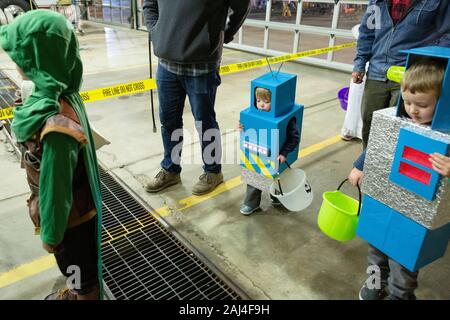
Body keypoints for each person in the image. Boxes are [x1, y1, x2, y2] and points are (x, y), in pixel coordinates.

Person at [0, 10, 102, 300]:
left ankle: (82, 294)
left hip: (71, 224)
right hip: (77, 215)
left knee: (79, 272)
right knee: (78, 270)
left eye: (21, 59)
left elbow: (56, 191)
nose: (16, 65)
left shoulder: (56, 128)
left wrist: (51, 235)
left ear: (38, 62)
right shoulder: (63, 90)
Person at [348, 62, 450, 300]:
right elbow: (380, 142)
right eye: (408, 102)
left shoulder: (445, 132)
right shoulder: (400, 119)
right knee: (375, 251)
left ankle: (400, 296)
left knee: (403, 262)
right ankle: (374, 284)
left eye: (423, 105)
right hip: (384, 199)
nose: (413, 110)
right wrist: (359, 166)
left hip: (415, 212)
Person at [143, 0, 251, 196]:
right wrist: (156, 31)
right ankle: (171, 169)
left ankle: (213, 172)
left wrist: (224, 34)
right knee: (169, 121)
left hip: (202, 63)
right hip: (166, 63)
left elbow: (242, 5)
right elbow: (149, 4)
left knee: (205, 122)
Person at [353, 0, 450, 149]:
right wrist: (359, 64)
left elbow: (446, 34)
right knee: (369, 122)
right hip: (377, 71)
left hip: (410, 75)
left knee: (397, 127)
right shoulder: (377, 2)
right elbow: (367, 33)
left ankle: (392, 166)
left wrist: (427, 70)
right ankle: (367, 163)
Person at [238, 87, 300, 215]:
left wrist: (284, 152)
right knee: (254, 175)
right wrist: (241, 126)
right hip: (257, 153)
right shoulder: (253, 114)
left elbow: (294, 138)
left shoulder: (287, 119)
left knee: (279, 178)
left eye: (266, 101)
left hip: (277, 156)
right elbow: (247, 127)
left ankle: (277, 197)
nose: (261, 104)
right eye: (258, 100)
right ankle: (251, 203)